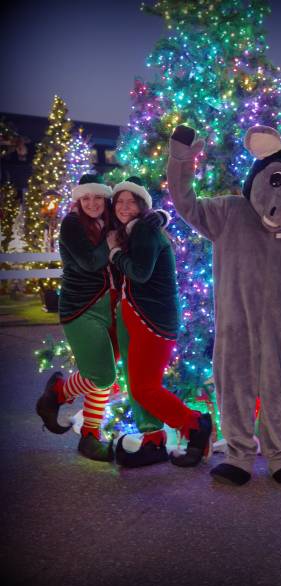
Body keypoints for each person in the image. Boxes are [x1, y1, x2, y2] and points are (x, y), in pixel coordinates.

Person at [36, 173, 169, 462]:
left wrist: (157, 217)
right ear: (79, 200)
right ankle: (58, 393)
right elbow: (90, 261)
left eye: (98, 197)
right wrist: (110, 243)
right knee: (102, 375)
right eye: (86, 198)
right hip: (81, 308)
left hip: (111, 307)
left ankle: (89, 434)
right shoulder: (72, 224)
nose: (93, 203)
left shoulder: (110, 221)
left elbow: (137, 223)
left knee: (106, 374)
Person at [107, 176, 212, 468]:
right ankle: (154, 442)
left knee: (144, 388)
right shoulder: (135, 230)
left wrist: (115, 253)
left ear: (142, 205)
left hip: (152, 320)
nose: (124, 207)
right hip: (139, 316)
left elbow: (140, 273)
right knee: (139, 385)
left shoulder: (143, 229)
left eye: (131, 202)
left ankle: (195, 425)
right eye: (119, 202)